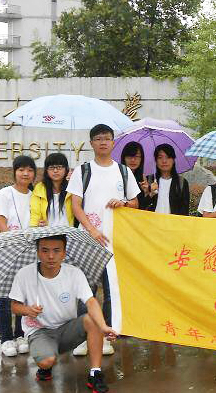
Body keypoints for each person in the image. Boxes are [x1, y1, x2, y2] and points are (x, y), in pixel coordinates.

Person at [8, 235, 117, 393]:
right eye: (45, 250)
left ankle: (95, 373)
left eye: (56, 250)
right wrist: (27, 310)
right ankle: (46, 364)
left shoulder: (74, 273)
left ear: (64, 253)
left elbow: (91, 301)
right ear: (37, 252)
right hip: (40, 332)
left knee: (92, 321)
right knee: (47, 361)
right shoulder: (24, 274)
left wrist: (103, 326)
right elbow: (14, 306)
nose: (51, 256)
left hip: (67, 329)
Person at [67, 124, 140, 357]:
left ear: (113, 142)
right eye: (98, 139)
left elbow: (135, 203)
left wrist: (124, 203)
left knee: (111, 291)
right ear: (91, 143)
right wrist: (92, 230)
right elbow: (76, 205)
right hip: (87, 240)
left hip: (114, 241)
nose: (103, 142)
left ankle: (107, 336)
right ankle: (83, 337)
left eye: (107, 138)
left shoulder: (123, 172)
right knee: (86, 291)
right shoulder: (83, 171)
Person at [0, 155, 36, 357]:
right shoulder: (5, 194)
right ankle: (6, 338)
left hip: (29, 251)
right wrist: (12, 243)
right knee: (5, 296)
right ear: (15, 172)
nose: (25, 173)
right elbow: (1, 221)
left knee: (23, 295)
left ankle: (20, 334)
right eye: (21, 169)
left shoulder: (35, 196)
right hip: (8, 250)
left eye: (30, 170)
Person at [30, 153, 74, 227]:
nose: (55, 171)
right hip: (47, 232)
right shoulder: (40, 188)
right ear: (46, 170)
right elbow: (35, 213)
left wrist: (74, 182)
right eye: (51, 168)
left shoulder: (72, 187)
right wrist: (36, 225)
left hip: (69, 232)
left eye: (59, 167)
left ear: (66, 169)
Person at [145, 144, 190, 216]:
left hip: (172, 222)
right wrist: (150, 194)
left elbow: (184, 210)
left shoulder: (181, 182)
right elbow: (141, 206)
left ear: (173, 160)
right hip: (150, 221)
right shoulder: (149, 180)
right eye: (160, 157)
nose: (164, 161)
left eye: (168, 157)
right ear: (156, 160)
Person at [120, 141, 150, 210]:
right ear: (124, 158)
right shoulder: (118, 176)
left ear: (141, 159)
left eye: (137, 156)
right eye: (130, 156)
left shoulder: (143, 179)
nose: (133, 160)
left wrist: (147, 193)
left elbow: (142, 207)